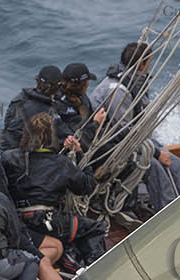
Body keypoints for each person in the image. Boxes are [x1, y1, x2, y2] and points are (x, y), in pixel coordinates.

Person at [90, 41, 180, 211]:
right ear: (142, 64)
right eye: (149, 62)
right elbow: (123, 133)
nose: (151, 66)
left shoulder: (135, 82)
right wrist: (157, 154)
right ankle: (170, 212)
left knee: (177, 164)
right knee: (156, 168)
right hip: (113, 146)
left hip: (137, 139)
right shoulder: (118, 91)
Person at [9, 112, 108, 268]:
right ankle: (96, 269)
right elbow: (87, 186)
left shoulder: (10, 158)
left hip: (21, 221)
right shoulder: (61, 163)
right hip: (46, 220)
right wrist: (79, 152)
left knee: (67, 232)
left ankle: (69, 258)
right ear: (52, 137)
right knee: (94, 229)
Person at [2, 65, 81, 149]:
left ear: (37, 81)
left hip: (8, 151)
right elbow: (64, 134)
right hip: (26, 156)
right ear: (58, 88)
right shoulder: (47, 112)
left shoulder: (21, 97)